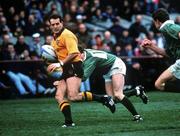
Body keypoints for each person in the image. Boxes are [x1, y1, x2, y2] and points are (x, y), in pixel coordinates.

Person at [47, 14, 115, 128]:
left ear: (62, 23)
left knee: (73, 97)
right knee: (59, 96)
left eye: (57, 24)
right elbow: (58, 56)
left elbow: (74, 53)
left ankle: (103, 98)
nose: (55, 26)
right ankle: (69, 122)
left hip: (74, 66)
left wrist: (60, 63)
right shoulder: (54, 38)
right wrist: (56, 70)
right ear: (50, 26)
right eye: (52, 24)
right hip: (65, 69)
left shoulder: (67, 35)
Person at [141, 8, 180, 91]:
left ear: (157, 21)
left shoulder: (167, 27)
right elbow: (168, 54)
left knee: (159, 84)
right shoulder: (167, 30)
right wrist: (151, 46)